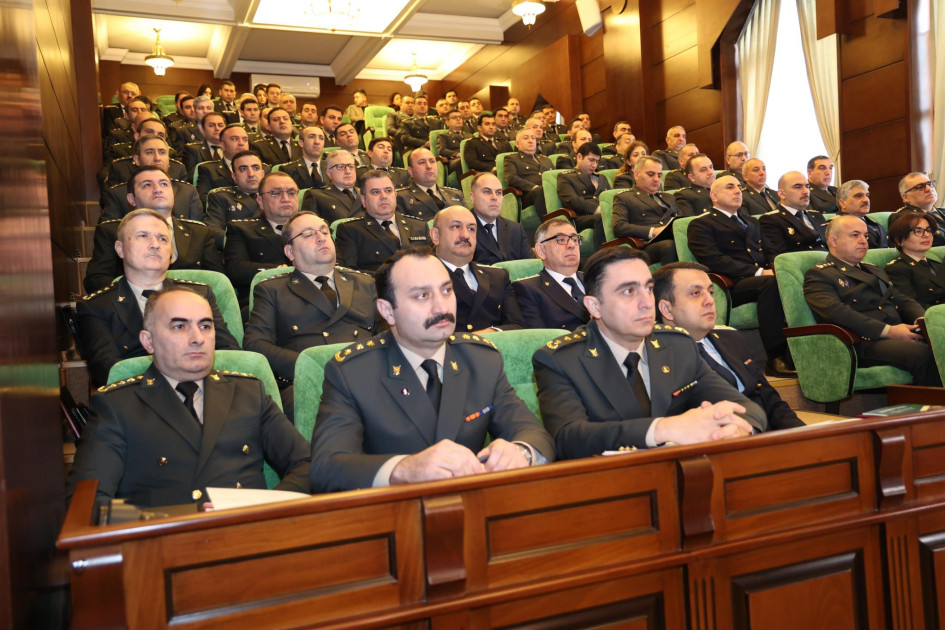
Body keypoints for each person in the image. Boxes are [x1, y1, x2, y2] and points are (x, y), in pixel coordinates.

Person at [309, 247, 554, 493]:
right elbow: (327, 468)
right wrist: (403, 469)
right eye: (422, 296)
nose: (441, 306)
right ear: (387, 311)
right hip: (395, 508)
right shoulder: (352, 373)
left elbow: (533, 433)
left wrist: (521, 451)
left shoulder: (481, 360)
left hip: (471, 502)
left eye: (446, 290)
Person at [68, 287, 311, 507]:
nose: (197, 338)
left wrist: (266, 508)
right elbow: (86, 502)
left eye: (205, 326)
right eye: (179, 326)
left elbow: (307, 464)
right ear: (148, 341)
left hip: (247, 531)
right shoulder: (117, 406)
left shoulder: (248, 393)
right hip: (166, 538)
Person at [532, 247, 766, 460]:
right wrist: (664, 429)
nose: (646, 303)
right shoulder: (561, 360)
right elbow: (569, 438)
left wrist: (738, 428)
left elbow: (745, 407)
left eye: (649, 289)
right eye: (628, 291)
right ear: (594, 306)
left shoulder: (678, 346)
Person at [77, 209, 240, 385]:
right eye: (143, 236)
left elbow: (231, 356)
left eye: (163, 239)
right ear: (120, 248)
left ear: (171, 253)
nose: (155, 244)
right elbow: (109, 372)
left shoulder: (199, 295)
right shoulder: (96, 306)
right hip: (141, 397)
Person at [244, 212, 379, 415]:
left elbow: (388, 333)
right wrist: (310, 366)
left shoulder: (364, 282)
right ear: (289, 251)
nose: (321, 238)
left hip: (366, 376)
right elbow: (255, 344)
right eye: (308, 234)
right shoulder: (272, 290)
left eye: (324, 231)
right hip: (310, 385)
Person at [653, 262, 804, 430]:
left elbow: (769, 398)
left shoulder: (730, 337)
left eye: (710, 292)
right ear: (667, 309)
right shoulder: (659, 357)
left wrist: (801, 433)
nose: (710, 301)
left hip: (766, 434)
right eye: (695, 293)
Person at [804, 215, 940, 386]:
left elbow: (902, 300)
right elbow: (836, 313)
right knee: (924, 353)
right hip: (861, 341)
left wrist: (922, 322)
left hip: (895, 334)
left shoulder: (873, 270)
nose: (863, 241)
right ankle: (931, 402)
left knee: (940, 341)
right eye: (855, 235)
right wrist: (889, 331)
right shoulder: (820, 274)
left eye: (866, 236)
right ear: (833, 240)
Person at [686, 176, 794, 377]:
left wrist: (781, 268)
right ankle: (776, 357)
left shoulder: (751, 221)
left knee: (792, 280)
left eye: (739, 187)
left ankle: (799, 350)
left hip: (761, 279)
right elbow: (713, 260)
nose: (737, 191)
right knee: (770, 283)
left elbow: (770, 251)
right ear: (714, 195)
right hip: (731, 285)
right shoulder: (701, 224)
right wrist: (758, 272)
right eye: (730, 187)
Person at [85, 166, 223, 293]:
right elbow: (95, 281)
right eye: (147, 185)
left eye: (164, 184)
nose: (157, 189)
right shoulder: (111, 232)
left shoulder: (200, 233)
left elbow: (219, 283)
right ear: (132, 199)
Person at [431, 206, 524, 332]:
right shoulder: (420, 278)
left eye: (471, 229)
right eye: (456, 227)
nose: (465, 235)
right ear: (435, 235)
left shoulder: (498, 276)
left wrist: (490, 333)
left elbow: (517, 326)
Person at [223, 171, 296, 307]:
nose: (285, 198)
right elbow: (236, 270)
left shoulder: (316, 228)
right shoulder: (242, 229)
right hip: (265, 301)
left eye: (291, 193)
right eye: (276, 193)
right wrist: (280, 271)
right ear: (260, 201)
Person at [335, 170, 430, 272]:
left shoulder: (420, 226)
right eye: (375, 192)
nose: (383, 196)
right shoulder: (350, 231)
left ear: (395, 195)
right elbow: (350, 274)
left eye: (388, 191)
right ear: (363, 200)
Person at [513, 218, 589, 331]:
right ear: (541, 250)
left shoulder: (596, 280)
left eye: (575, 239)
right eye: (561, 240)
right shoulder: (528, 289)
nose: (571, 245)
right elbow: (540, 338)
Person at [100, 137, 199, 221]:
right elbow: (110, 233)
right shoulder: (118, 194)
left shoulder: (188, 192)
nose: (157, 158)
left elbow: (198, 232)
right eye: (149, 152)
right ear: (137, 160)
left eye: (162, 152)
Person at [612, 156, 685, 264]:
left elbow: (680, 221)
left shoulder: (669, 197)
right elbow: (619, 227)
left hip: (675, 238)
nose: (656, 179)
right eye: (651, 174)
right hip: (647, 246)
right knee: (669, 245)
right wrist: (653, 231)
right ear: (636, 174)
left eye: (659, 175)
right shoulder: (624, 197)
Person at [759, 171, 828, 265]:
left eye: (807, 186)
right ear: (782, 194)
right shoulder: (771, 219)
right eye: (798, 187)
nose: (806, 191)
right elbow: (780, 259)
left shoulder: (816, 215)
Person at [468, 172, 533, 264]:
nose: (494, 197)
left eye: (498, 192)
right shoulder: (463, 229)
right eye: (487, 192)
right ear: (472, 197)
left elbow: (532, 266)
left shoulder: (516, 229)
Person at [204, 150, 265, 249]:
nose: (251, 174)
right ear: (234, 177)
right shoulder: (222, 197)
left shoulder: (276, 196)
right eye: (243, 169)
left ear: (263, 174)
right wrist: (244, 244)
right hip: (239, 251)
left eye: (255, 168)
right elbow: (213, 231)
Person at [884, 211, 945, 309]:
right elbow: (912, 306)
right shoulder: (897, 269)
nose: (926, 235)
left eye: (928, 230)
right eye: (918, 231)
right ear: (899, 240)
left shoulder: (937, 264)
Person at [557, 142, 610, 247]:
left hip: (603, 214)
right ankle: (603, 256)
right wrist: (597, 209)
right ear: (579, 157)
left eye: (597, 161)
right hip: (580, 218)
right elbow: (571, 200)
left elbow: (611, 198)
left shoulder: (602, 178)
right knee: (602, 218)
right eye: (591, 160)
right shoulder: (566, 176)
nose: (594, 165)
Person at [395, 148, 465, 221]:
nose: (429, 166)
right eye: (422, 162)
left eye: (432, 161)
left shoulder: (456, 194)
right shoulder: (400, 198)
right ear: (410, 171)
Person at [300, 150, 363, 225]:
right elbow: (309, 226)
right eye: (340, 167)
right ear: (329, 173)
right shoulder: (316, 196)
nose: (348, 171)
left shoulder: (365, 193)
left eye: (351, 166)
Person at [194, 123, 250, 203]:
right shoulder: (208, 170)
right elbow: (205, 200)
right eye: (235, 139)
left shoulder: (264, 168)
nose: (241, 143)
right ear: (222, 145)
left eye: (245, 139)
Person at [503, 128, 553, 217]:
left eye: (533, 138)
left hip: (548, 192)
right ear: (517, 144)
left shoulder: (545, 159)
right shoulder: (512, 159)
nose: (530, 141)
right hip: (527, 195)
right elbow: (511, 178)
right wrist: (533, 187)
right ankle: (549, 221)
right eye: (526, 138)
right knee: (539, 191)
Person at [892, 173, 945, 246]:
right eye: (920, 187)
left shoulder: (942, 212)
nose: (929, 189)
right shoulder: (904, 217)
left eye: (930, 184)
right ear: (906, 197)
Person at [837, 179, 886, 248]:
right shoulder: (834, 227)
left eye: (867, 195)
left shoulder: (874, 224)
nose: (866, 200)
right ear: (842, 203)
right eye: (859, 196)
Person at [279, 124, 327, 190]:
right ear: (301, 143)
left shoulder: (331, 167)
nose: (317, 142)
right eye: (311, 137)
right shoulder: (288, 170)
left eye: (321, 138)